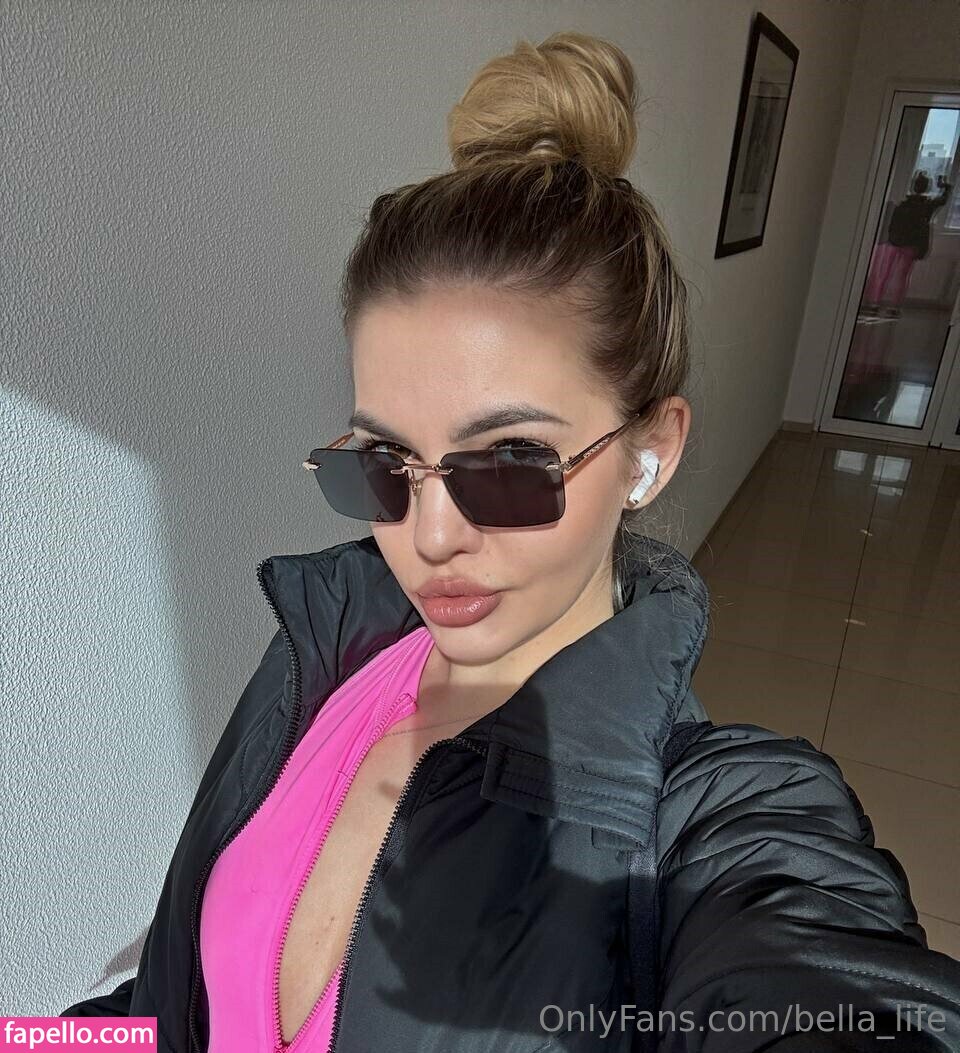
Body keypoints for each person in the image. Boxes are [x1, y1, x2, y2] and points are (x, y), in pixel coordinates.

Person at [62, 31, 960, 1052]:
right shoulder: (320, 651)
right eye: (385, 462)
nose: (429, 536)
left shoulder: (707, 820)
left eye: (509, 464)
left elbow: (825, 977)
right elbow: (164, 1008)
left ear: (649, 452)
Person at [864, 170, 953, 315]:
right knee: (902, 276)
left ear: (913, 186)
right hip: (911, 245)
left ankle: (874, 303)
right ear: (927, 188)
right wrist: (945, 187)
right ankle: (894, 307)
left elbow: (892, 224)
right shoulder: (927, 206)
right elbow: (942, 200)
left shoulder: (903, 205)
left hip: (894, 242)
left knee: (883, 273)